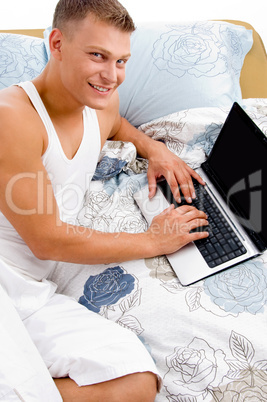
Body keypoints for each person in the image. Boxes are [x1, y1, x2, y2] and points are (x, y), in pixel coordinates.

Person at [0, 0, 209, 400]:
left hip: (33, 291)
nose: (111, 76)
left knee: (135, 380)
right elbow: (48, 240)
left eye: (121, 61)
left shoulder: (101, 104)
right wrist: (154, 241)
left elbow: (115, 124)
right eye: (97, 55)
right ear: (57, 43)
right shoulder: (13, 117)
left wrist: (154, 149)